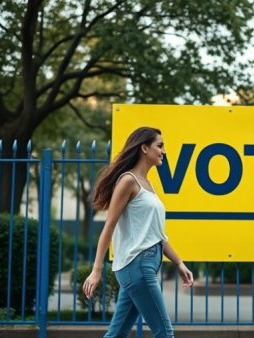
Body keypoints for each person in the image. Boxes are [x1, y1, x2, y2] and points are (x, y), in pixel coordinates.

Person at [83, 126, 193, 338]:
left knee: (117, 334)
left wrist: (179, 263)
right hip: (138, 266)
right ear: (144, 148)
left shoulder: (148, 185)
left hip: (142, 266)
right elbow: (109, 226)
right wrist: (96, 269)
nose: (163, 151)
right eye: (159, 146)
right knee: (165, 333)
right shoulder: (128, 181)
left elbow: (158, 235)